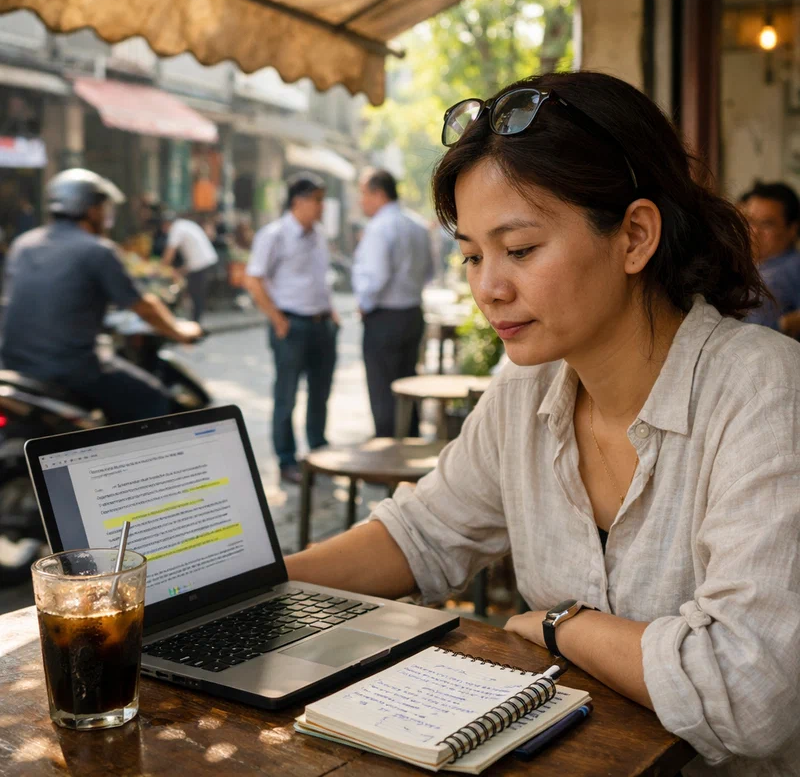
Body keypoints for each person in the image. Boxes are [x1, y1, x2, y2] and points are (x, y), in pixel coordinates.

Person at [285, 72, 800, 776]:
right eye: (472, 255)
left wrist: (562, 625)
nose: (488, 287)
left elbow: (749, 688)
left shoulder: (763, 388)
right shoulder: (525, 391)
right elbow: (424, 534)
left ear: (635, 236)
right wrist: (266, 582)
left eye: (520, 249)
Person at [0, 169, 201, 423]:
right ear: (92, 210)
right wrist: (180, 332)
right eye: (104, 208)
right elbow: (143, 306)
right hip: (70, 369)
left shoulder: (23, 245)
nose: (106, 215)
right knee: (154, 400)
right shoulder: (97, 250)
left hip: (13, 365)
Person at [244, 173, 339, 485]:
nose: (321, 207)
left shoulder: (318, 235)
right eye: (317, 200)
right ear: (298, 202)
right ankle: (286, 460)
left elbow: (320, 279)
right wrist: (277, 319)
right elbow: (254, 280)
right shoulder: (274, 235)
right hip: (291, 325)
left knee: (320, 393)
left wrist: (332, 313)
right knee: (286, 396)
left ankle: (318, 451)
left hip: (321, 324)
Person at [353, 169, 433, 437]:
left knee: (383, 390)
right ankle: (410, 442)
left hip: (385, 318)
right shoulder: (418, 225)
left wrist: (364, 304)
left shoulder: (379, 227)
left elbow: (376, 277)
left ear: (378, 194)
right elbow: (430, 272)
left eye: (363, 194)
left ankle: (388, 454)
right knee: (408, 384)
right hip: (412, 314)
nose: (360, 201)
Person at [739, 181, 800, 338]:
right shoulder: (743, 265)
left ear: (792, 229)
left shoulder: (794, 266)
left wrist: (785, 325)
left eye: (767, 224)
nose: (754, 232)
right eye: (750, 221)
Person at [162, 212, 219, 323]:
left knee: (196, 293)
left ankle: (195, 323)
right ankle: (195, 321)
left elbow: (170, 251)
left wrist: (161, 267)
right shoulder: (185, 225)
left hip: (201, 264)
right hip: (203, 262)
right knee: (195, 293)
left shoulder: (177, 228)